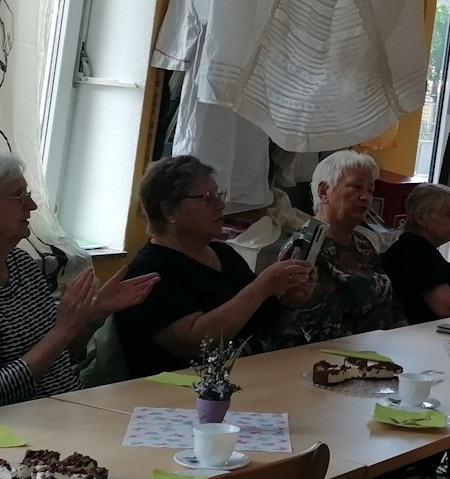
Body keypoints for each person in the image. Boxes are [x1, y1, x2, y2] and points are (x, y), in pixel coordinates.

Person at [117, 155, 314, 378]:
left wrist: (289, 303)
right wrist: (262, 286)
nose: (221, 205)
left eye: (219, 196)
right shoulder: (149, 270)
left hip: (253, 375)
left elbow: (267, 324)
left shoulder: (224, 253)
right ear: (170, 211)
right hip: (187, 390)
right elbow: (195, 344)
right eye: (207, 198)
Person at [0, 153, 158, 401]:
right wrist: (62, 330)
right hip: (26, 420)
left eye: (27, 194)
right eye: (18, 195)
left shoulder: (21, 264)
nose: (31, 205)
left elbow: (62, 356)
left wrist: (94, 314)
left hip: (69, 405)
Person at [278, 150, 403, 343]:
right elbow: (325, 331)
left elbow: (393, 304)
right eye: (356, 187)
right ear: (324, 192)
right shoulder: (305, 248)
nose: (366, 197)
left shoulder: (362, 242)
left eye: (370, 190)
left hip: (387, 346)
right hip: (339, 353)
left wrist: (404, 338)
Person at [381, 184, 450, 325]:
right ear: (421, 217)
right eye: (449, 215)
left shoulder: (422, 249)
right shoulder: (414, 251)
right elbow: (447, 308)